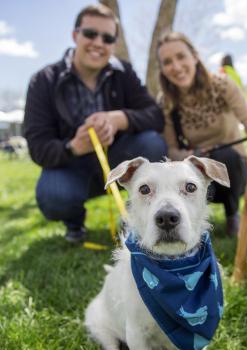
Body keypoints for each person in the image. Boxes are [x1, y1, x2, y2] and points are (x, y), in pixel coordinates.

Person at [23, 4, 167, 243]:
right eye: (90, 34)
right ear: (75, 35)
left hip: (118, 159)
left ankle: (134, 213)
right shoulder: (43, 80)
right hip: (71, 166)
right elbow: (38, 147)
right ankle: (74, 221)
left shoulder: (124, 73)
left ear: (114, 44)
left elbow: (155, 115)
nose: (98, 43)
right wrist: (75, 146)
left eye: (108, 38)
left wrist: (119, 118)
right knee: (52, 195)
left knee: (153, 143)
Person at [156, 32, 247, 236]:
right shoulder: (166, 101)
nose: (176, 67)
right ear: (162, 69)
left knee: (226, 156)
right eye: (167, 62)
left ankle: (233, 216)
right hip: (197, 174)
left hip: (234, 174)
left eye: (181, 56)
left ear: (194, 56)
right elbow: (170, 150)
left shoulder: (223, 85)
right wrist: (194, 155)